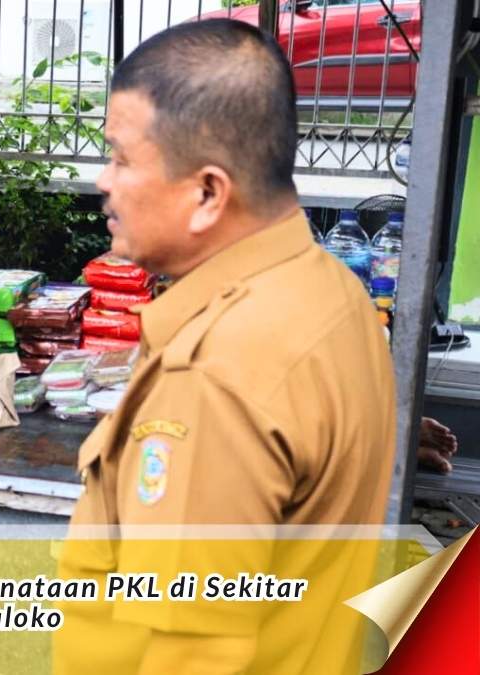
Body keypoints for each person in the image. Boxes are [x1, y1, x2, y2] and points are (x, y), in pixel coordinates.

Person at [55, 20, 397, 674]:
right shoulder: (335, 294)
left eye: (122, 157)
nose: (103, 180)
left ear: (209, 192)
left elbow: (194, 653)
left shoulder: (213, 375)